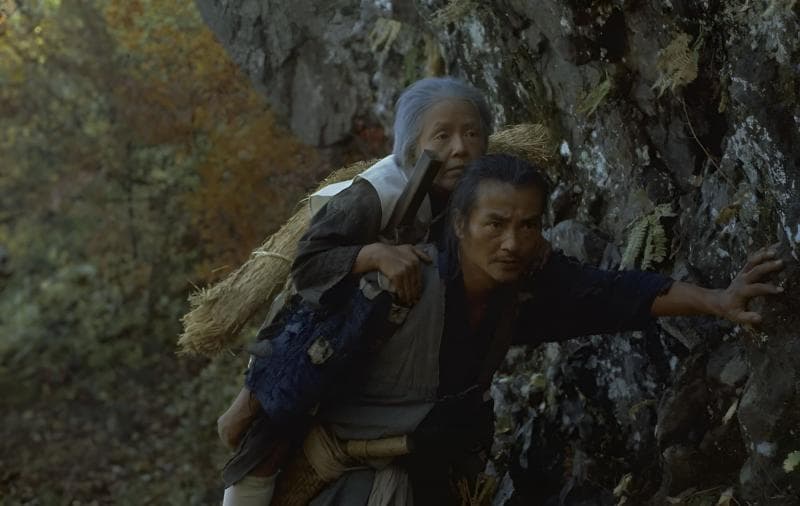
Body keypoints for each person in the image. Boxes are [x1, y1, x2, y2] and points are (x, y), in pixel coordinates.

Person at [224, 154, 786, 505]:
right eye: (495, 224)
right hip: (343, 483)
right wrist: (251, 430)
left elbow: (615, 295)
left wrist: (717, 299)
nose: (513, 242)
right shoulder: (396, 288)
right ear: (462, 226)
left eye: (528, 225)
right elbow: (292, 372)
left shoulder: (519, 294)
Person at [217, 76, 497, 505]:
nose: (460, 147)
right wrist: (372, 255)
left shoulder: (472, 193)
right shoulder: (375, 193)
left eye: (472, 133)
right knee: (269, 441)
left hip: (385, 340)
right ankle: (246, 410)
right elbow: (309, 263)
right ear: (411, 146)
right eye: (442, 136)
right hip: (317, 323)